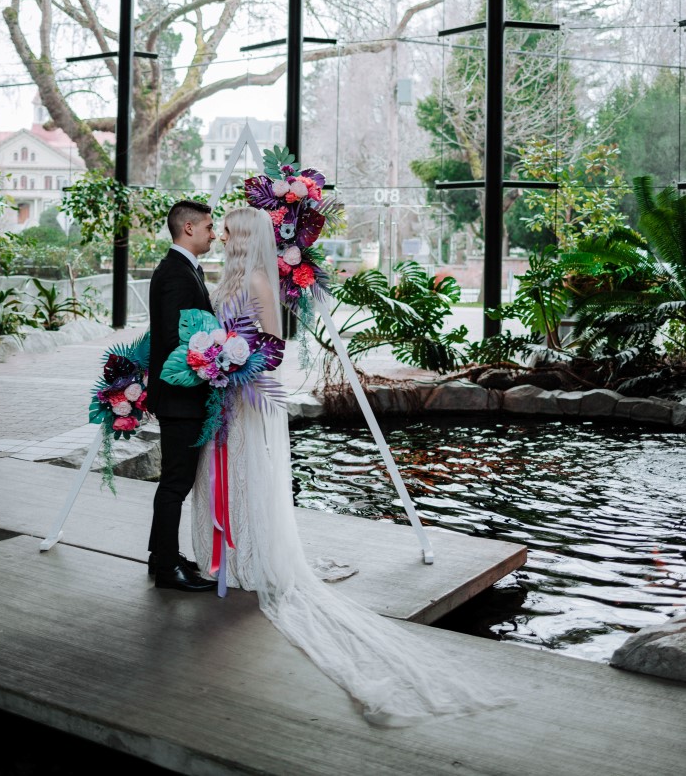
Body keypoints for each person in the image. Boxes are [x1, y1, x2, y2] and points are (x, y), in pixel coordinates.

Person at [192, 206, 506, 725]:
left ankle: (249, 556)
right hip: (220, 395)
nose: (221, 236)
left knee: (247, 477)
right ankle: (222, 552)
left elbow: (275, 346)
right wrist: (212, 361)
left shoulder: (258, 282)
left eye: (227, 230)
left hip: (246, 396)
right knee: (221, 476)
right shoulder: (223, 281)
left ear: (243, 236)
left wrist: (237, 363)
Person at [148, 199, 217, 592]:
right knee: (176, 484)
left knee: (173, 481)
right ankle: (166, 569)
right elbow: (178, 340)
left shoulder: (183, 268)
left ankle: (161, 555)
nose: (213, 234)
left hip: (179, 398)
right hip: (180, 398)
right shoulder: (176, 273)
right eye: (209, 226)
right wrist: (217, 355)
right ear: (188, 228)